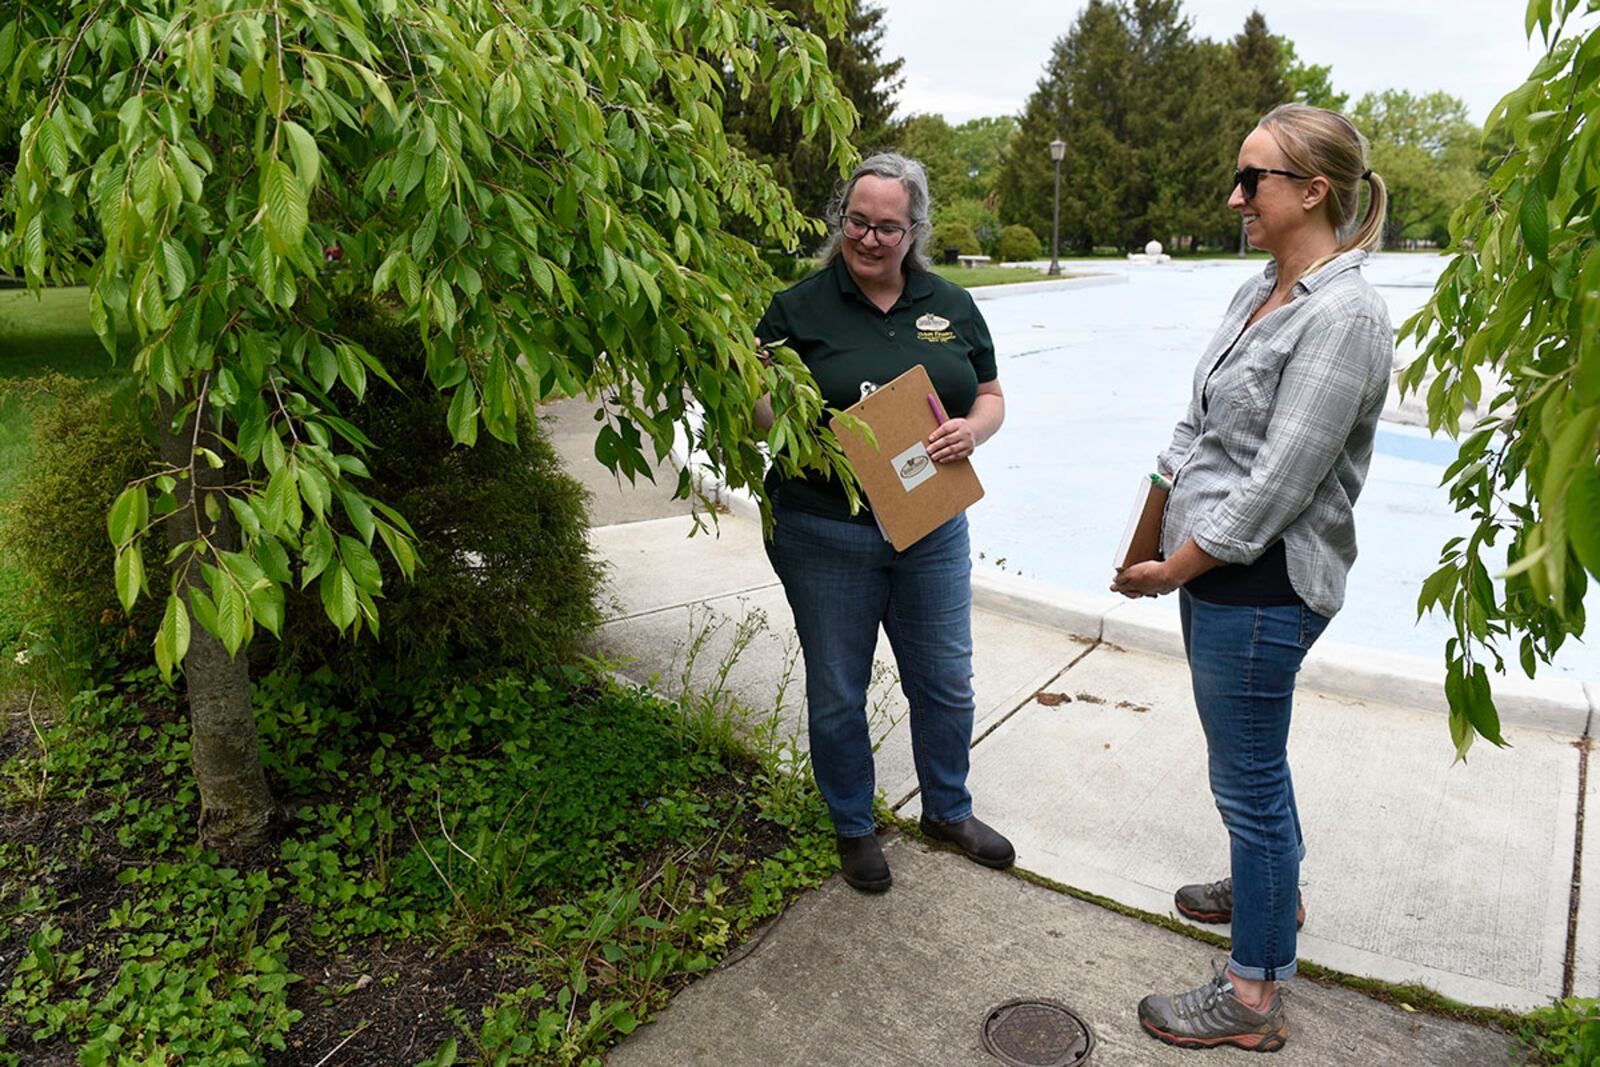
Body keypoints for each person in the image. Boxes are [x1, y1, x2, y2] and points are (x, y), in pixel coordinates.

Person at [1110, 104, 1393, 1052]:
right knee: (1253, 770)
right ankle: (1273, 886)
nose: (1236, 197)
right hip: (1217, 573)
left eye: (1253, 180)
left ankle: (1254, 995)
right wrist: (1151, 514)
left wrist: (1168, 572)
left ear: (1313, 191)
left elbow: (1276, 485)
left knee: (1250, 783)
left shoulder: (1346, 315)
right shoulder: (1260, 290)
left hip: (1263, 584)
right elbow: (1197, 425)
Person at [752, 152, 1013, 893]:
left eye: (887, 228)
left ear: (915, 229)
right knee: (838, 685)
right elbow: (753, 414)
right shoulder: (796, 307)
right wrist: (786, 402)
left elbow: (989, 392)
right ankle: (853, 824)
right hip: (824, 530)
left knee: (946, 679)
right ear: (842, 218)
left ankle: (947, 809)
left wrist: (973, 431)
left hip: (930, 524)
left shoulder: (951, 304)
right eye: (857, 223)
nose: (868, 239)